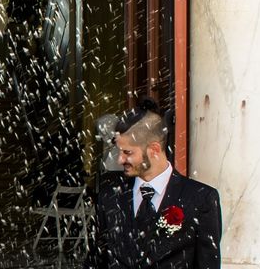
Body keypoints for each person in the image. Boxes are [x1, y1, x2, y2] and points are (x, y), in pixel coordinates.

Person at [88, 97, 222, 269]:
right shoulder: (110, 196)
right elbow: (94, 262)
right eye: (119, 151)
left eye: (127, 152)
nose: (120, 159)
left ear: (154, 150)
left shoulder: (201, 199)